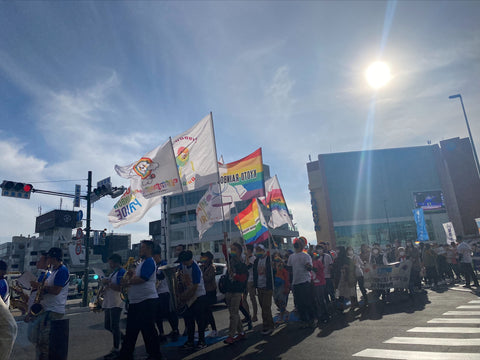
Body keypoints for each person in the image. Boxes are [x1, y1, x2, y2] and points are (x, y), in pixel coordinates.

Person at [118, 240, 161, 360]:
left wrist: (127, 282)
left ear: (148, 249)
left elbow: (143, 279)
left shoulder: (149, 262)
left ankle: (155, 355)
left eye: (142, 248)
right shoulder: (142, 263)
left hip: (146, 301)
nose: (140, 250)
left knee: (148, 331)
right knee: (132, 330)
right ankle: (126, 354)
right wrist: (131, 274)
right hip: (137, 302)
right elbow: (138, 277)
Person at [30, 247, 70, 360]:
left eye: (49, 258)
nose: (47, 260)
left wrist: (39, 287)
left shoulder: (62, 271)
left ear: (53, 258)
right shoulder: (54, 271)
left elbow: (56, 291)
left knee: (46, 341)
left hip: (54, 310)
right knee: (40, 340)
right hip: (47, 308)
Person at [176, 250, 208, 350]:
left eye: (183, 261)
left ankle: (202, 341)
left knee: (200, 320)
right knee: (189, 320)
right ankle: (190, 341)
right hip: (189, 296)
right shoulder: (182, 265)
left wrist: (184, 296)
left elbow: (194, 287)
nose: (182, 263)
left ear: (188, 260)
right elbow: (178, 275)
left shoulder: (195, 268)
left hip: (199, 296)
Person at [222, 241, 248, 344]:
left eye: (234, 249)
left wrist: (234, 275)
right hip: (228, 290)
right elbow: (224, 251)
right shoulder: (229, 260)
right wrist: (225, 240)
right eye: (231, 249)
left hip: (237, 291)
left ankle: (231, 336)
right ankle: (241, 333)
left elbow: (243, 278)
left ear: (239, 252)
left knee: (233, 314)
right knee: (234, 314)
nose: (232, 251)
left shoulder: (242, 264)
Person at [101, 254, 126, 359]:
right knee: (107, 325)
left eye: (110, 262)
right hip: (109, 301)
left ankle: (116, 348)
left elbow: (121, 288)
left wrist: (108, 283)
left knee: (114, 325)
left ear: (115, 262)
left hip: (117, 302)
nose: (109, 265)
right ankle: (123, 338)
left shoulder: (121, 272)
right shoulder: (113, 273)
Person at [287, 237, 316, 328]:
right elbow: (289, 268)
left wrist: (308, 266)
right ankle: (304, 320)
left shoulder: (306, 256)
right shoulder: (291, 256)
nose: (296, 245)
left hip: (305, 281)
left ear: (302, 245)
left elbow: (309, 268)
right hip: (296, 282)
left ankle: (312, 319)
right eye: (295, 243)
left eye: (298, 243)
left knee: (307, 302)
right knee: (299, 304)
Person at [152, 247, 179, 343]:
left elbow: (161, 276)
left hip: (164, 291)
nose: (153, 258)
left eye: (154, 256)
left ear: (158, 255)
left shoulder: (163, 264)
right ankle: (161, 333)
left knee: (168, 312)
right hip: (155, 293)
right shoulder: (153, 265)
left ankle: (175, 330)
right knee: (157, 315)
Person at [253, 244, 274, 335]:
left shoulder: (269, 260)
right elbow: (254, 273)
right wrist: (255, 285)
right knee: (263, 307)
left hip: (267, 286)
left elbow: (273, 271)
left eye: (260, 250)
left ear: (264, 250)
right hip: (259, 286)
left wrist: (269, 270)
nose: (258, 252)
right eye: (257, 250)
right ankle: (265, 324)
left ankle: (270, 326)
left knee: (266, 306)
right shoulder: (256, 261)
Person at [199, 251, 218, 337]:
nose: (203, 258)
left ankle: (214, 329)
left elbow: (208, 278)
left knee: (208, 310)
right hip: (204, 291)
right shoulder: (202, 267)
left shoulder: (212, 267)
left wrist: (201, 275)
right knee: (204, 310)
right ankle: (205, 326)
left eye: (205, 257)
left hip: (210, 291)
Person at [311, 250, 328, 323]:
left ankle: (324, 314)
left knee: (320, 299)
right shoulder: (313, 262)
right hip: (315, 283)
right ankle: (321, 314)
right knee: (317, 300)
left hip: (320, 282)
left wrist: (311, 268)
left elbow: (318, 270)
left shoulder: (318, 262)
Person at [272, 253, 290, 324]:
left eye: (278, 261)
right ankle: (285, 312)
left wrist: (286, 288)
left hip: (281, 286)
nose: (276, 262)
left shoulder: (283, 270)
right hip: (275, 287)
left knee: (281, 301)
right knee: (276, 301)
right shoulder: (273, 270)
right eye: (275, 260)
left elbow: (286, 279)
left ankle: (281, 317)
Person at [244, 244, 258, 323]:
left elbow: (248, 267)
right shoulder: (245, 258)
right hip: (245, 281)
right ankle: (247, 315)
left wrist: (247, 257)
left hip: (251, 280)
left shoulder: (253, 258)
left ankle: (255, 315)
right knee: (244, 299)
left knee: (252, 298)